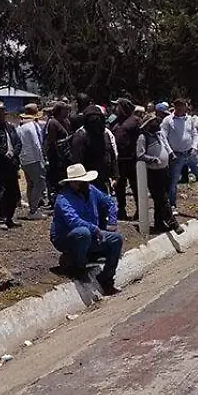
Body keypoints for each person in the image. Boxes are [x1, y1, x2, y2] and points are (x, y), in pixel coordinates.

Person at [50, 164, 123, 295]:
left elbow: (110, 202)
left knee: (116, 239)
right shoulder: (63, 199)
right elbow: (74, 221)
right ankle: (79, 268)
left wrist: (112, 222)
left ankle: (106, 279)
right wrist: (94, 228)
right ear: (72, 183)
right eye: (79, 182)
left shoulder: (91, 190)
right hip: (67, 238)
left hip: (91, 235)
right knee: (83, 232)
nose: (83, 184)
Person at [136, 117, 184, 234]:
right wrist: (153, 159)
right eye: (153, 122)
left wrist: (170, 154)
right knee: (162, 198)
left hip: (164, 170)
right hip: (154, 173)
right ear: (148, 124)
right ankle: (173, 223)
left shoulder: (159, 134)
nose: (156, 124)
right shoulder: (143, 138)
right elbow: (140, 155)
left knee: (161, 199)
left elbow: (165, 146)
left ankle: (159, 223)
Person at [162, 99, 198, 212]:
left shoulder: (190, 119)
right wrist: (170, 152)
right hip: (176, 155)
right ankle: (173, 205)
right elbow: (163, 137)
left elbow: (194, 134)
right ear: (176, 107)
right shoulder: (168, 121)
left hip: (190, 153)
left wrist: (194, 147)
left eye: (185, 106)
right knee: (173, 181)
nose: (184, 109)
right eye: (182, 106)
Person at [0, 101, 23, 228]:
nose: (2, 114)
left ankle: (9, 217)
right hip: (0, 166)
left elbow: (18, 143)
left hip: (12, 165)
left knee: (13, 192)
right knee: (0, 194)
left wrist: (14, 153)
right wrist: (5, 154)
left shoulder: (10, 127)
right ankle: (0, 219)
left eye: (3, 111)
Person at [71, 105, 116, 194]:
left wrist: (115, 176)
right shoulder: (80, 136)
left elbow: (111, 154)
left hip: (104, 179)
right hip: (87, 181)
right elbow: (77, 161)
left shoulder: (105, 135)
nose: (96, 120)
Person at [111, 99, 142, 220]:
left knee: (135, 186)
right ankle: (121, 209)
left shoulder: (135, 121)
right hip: (119, 160)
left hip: (132, 159)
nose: (115, 109)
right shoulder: (115, 121)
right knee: (120, 186)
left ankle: (140, 210)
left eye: (117, 106)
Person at [16, 103, 47, 221]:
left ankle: (32, 207)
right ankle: (33, 210)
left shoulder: (21, 127)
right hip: (34, 158)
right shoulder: (31, 126)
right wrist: (42, 160)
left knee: (31, 184)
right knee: (39, 183)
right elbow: (36, 144)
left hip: (25, 159)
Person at [44, 102, 73, 192]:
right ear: (60, 111)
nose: (67, 112)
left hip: (66, 156)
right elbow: (52, 142)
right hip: (57, 158)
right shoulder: (53, 122)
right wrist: (57, 158)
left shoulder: (66, 121)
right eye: (65, 110)